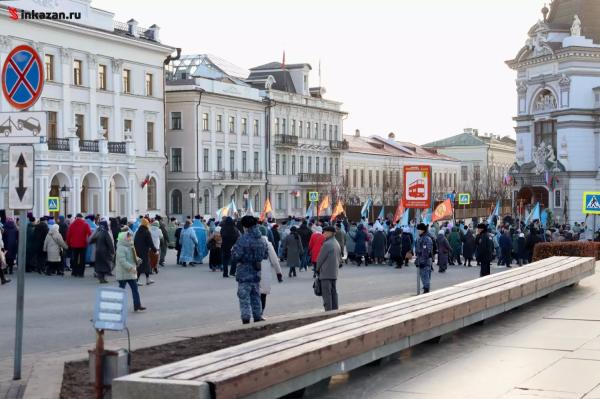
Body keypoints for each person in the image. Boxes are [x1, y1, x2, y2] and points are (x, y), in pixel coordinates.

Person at [230, 216, 268, 324]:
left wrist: (233, 252)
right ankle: (257, 316)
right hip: (256, 271)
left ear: (245, 226)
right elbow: (265, 255)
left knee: (244, 297)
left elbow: (236, 256)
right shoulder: (261, 239)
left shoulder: (243, 239)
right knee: (255, 296)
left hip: (244, 271)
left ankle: (246, 318)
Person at [115, 229, 146, 312]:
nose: (130, 238)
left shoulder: (131, 246)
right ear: (124, 238)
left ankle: (137, 305)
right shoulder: (121, 248)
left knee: (135, 290)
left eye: (130, 237)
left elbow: (133, 257)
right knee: (121, 291)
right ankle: (117, 307)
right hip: (123, 273)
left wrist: (138, 259)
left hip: (130, 273)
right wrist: (131, 268)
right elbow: (122, 261)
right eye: (128, 237)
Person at [316, 226, 342, 311]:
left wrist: (317, 269)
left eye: (325, 232)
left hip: (326, 272)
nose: (323, 234)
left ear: (330, 233)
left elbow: (320, 259)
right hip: (334, 272)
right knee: (333, 292)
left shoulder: (327, 244)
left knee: (327, 294)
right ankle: (335, 310)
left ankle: (328, 312)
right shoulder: (336, 243)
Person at [258, 226, 283, 312]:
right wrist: (279, 273)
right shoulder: (267, 244)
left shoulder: (251, 242)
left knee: (254, 292)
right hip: (264, 270)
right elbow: (275, 261)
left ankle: (255, 313)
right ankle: (260, 313)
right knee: (263, 293)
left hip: (252, 271)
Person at [91, 219, 115, 284]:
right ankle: (102, 278)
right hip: (104, 252)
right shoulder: (105, 233)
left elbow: (91, 240)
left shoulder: (98, 232)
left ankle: (101, 278)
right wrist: (113, 251)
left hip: (98, 251)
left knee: (99, 265)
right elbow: (109, 243)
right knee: (105, 265)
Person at [134, 218, 157, 285]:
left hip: (138, 250)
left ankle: (147, 279)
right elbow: (150, 242)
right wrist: (155, 250)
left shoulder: (138, 231)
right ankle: (137, 280)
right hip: (144, 251)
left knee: (145, 265)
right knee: (142, 265)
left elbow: (135, 241)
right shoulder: (147, 232)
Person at [415, 223, 433, 294]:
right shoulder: (422, 238)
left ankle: (426, 290)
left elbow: (426, 251)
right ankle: (426, 288)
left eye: (419, 229)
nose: (418, 231)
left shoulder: (426, 239)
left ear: (422, 230)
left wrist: (422, 261)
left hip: (424, 261)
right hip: (422, 260)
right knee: (424, 275)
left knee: (425, 275)